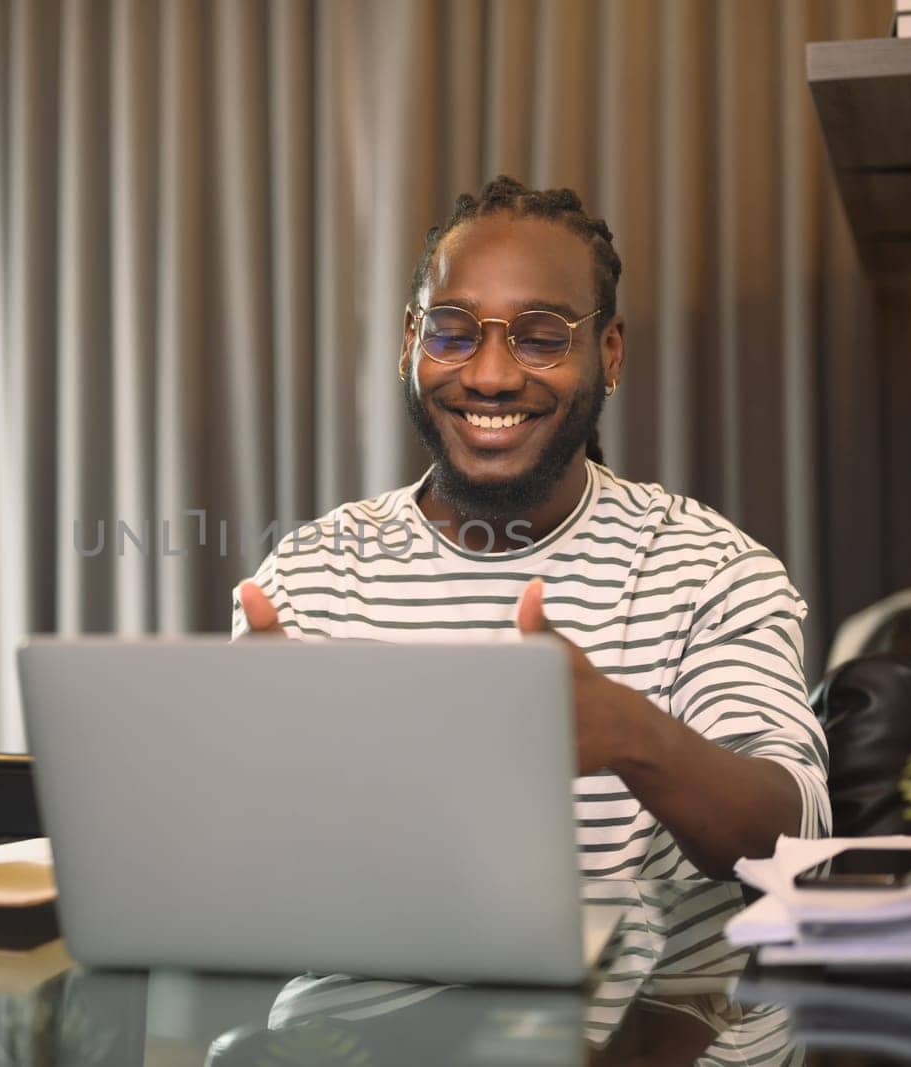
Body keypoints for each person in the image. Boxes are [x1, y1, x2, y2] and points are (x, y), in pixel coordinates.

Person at [232, 176, 829, 880]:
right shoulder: (308, 580)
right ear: (408, 344)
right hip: (359, 988)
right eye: (451, 330)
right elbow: (248, 868)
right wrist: (255, 776)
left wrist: (634, 737)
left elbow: (799, 846)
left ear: (608, 354)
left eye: (542, 337)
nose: (489, 376)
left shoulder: (708, 571)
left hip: (651, 993)